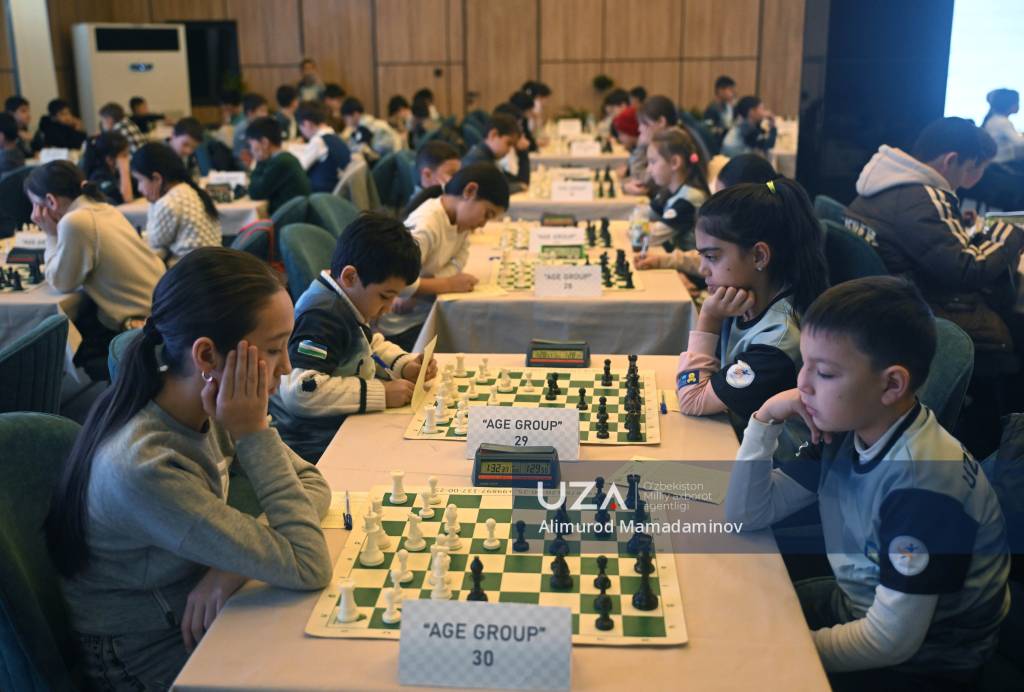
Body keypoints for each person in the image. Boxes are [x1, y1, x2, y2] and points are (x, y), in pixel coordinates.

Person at [44, 246, 331, 690]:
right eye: (274, 349)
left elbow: (312, 482)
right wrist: (253, 433)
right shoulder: (146, 465)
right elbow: (308, 564)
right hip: (143, 651)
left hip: (196, 604)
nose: (287, 366)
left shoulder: (206, 406)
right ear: (207, 356)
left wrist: (233, 567)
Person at [725, 276, 1009, 690]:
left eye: (824, 372)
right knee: (724, 615)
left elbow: (889, 642)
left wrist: (785, 650)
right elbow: (747, 513)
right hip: (859, 601)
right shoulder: (850, 427)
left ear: (891, 384)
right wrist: (766, 417)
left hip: (925, 663)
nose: (802, 384)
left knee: (737, 663)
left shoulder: (923, 491)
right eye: (805, 363)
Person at [844, 117, 1024, 356]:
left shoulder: (886, 182)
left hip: (876, 303)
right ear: (950, 160)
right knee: (1011, 316)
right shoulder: (924, 197)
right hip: (914, 312)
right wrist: (1009, 231)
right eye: (969, 168)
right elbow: (967, 270)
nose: (968, 178)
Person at [270, 213, 437, 461]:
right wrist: (382, 392)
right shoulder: (322, 316)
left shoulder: (346, 299)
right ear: (350, 277)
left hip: (335, 425)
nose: (389, 307)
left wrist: (404, 364)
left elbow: (366, 343)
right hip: (313, 443)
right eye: (385, 296)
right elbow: (301, 391)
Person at [674, 178, 828, 425]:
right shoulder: (744, 300)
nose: (702, 269)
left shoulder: (776, 344)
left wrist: (709, 319)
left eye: (712, 257)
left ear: (759, 256)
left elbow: (692, 399)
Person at [25, 161, 165, 379]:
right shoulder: (104, 208)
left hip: (137, 329)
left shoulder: (75, 221)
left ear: (51, 201)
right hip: (161, 314)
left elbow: (61, 282)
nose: (34, 214)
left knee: (62, 341)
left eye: (36, 205)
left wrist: (50, 234)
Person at [378, 163, 510, 351]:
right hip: (401, 326)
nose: (483, 224)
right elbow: (397, 283)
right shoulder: (426, 225)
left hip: (423, 311)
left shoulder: (459, 221)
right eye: (487, 214)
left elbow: (460, 260)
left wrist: (427, 285)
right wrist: (447, 284)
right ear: (470, 191)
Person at [132, 142, 221, 267]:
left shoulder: (168, 202)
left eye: (140, 180)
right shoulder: (188, 190)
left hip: (190, 272)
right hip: (211, 266)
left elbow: (154, 243)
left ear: (157, 178)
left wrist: (153, 204)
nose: (139, 188)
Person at [639, 128, 710, 256]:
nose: (648, 169)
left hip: (690, 266)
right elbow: (643, 215)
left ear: (675, 162)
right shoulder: (668, 191)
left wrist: (638, 229)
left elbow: (649, 237)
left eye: (653, 162)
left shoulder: (689, 199)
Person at [246, 116, 311, 215]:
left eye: (251, 145)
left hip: (289, 219)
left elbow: (256, 193)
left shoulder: (282, 162)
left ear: (264, 142)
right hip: (293, 216)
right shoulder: (284, 158)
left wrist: (259, 161)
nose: (251, 150)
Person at [623, 95, 679, 195]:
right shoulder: (670, 141)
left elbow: (641, 180)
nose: (639, 129)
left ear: (661, 122)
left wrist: (641, 146)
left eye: (644, 123)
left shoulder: (672, 146)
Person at [462, 111, 528, 193]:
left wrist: (522, 152)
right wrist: (520, 186)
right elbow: (494, 190)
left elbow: (518, 181)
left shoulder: (488, 157)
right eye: (508, 143)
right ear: (493, 135)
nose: (509, 150)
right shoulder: (478, 160)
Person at [293, 100, 351, 193]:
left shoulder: (318, 141)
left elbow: (299, 168)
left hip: (321, 193)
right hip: (332, 189)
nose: (302, 132)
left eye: (300, 126)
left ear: (307, 123)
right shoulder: (332, 136)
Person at [340, 97, 401, 163]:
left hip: (389, 159)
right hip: (389, 158)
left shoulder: (366, 127)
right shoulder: (368, 123)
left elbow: (371, 152)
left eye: (346, 118)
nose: (345, 122)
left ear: (355, 114)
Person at [81, 131, 134, 205]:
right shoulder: (99, 177)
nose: (128, 158)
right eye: (124, 155)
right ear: (109, 160)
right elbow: (127, 200)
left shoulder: (115, 172)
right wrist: (124, 171)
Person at [981, 88, 1024, 164]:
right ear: (1009, 104)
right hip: (1001, 164)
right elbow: (1019, 142)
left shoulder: (994, 119)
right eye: (1017, 102)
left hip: (995, 163)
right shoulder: (1002, 121)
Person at [232, 93, 269, 167]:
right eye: (262, 111)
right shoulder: (242, 129)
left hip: (257, 160)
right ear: (250, 113)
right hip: (243, 164)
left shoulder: (257, 125)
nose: (266, 114)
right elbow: (243, 157)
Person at [168, 117, 204, 181]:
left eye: (194, 147)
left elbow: (195, 177)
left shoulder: (190, 157)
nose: (189, 151)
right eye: (185, 144)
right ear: (173, 135)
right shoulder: (159, 156)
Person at [612, 106, 643, 181]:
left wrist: (628, 171)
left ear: (632, 132)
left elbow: (638, 178)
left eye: (622, 133)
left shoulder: (643, 150)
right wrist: (628, 169)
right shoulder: (635, 149)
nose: (619, 138)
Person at [703, 75, 737, 141]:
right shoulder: (711, 109)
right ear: (720, 90)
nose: (733, 93)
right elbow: (709, 130)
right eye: (730, 90)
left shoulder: (730, 108)